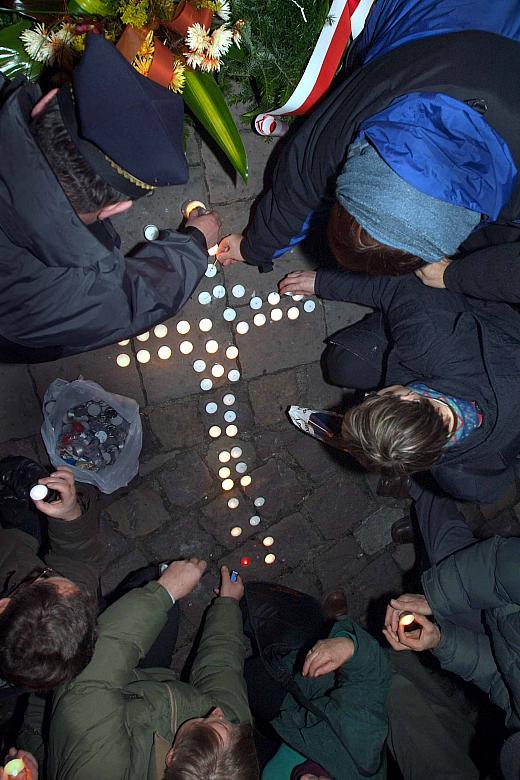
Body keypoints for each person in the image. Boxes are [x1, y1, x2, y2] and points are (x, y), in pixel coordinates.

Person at [217, 1, 520, 303]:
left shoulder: (359, 114)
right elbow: (298, 187)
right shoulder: (354, 114)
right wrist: (251, 248)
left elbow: (300, 189)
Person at [0, 33, 221, 363]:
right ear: (119, 207)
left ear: (45, 103)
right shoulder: (68, 290)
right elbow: (135, 302)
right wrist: (194, 243)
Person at [278, 267, 520, 505]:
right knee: (344, 364)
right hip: (487, 325)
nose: (367, 394)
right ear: (410, 398)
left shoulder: (466, 479)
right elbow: (395, 284)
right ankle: (397, 321)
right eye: (372, 397)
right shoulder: (432, 337)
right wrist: (322, 282)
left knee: (347, 366)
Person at [47, 562, 259, 780]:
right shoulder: (231, 744)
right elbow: (222, 669)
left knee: (135, 589)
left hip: (67, 695)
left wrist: (165, 591)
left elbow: (87, 677)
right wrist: (228, 603)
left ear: (172, 757)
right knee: (155, 580)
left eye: (207, 723)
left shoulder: (99, 766)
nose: (218, 711)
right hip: (150, 682)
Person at [383, 494, 520, 779]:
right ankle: (424, 482)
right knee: (446, 556)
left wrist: (441, 642)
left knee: (442, 583)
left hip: (502, 624)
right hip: (504, 588)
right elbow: (505, 566)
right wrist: (436, 597)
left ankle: (426, 519)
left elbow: (503, 679)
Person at [0, 459, 101, 693]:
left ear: (4, 606)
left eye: (43, 575)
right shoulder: (74, 608)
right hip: (17, 544)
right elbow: (78, 561)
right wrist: (70, 515)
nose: (51, 572)